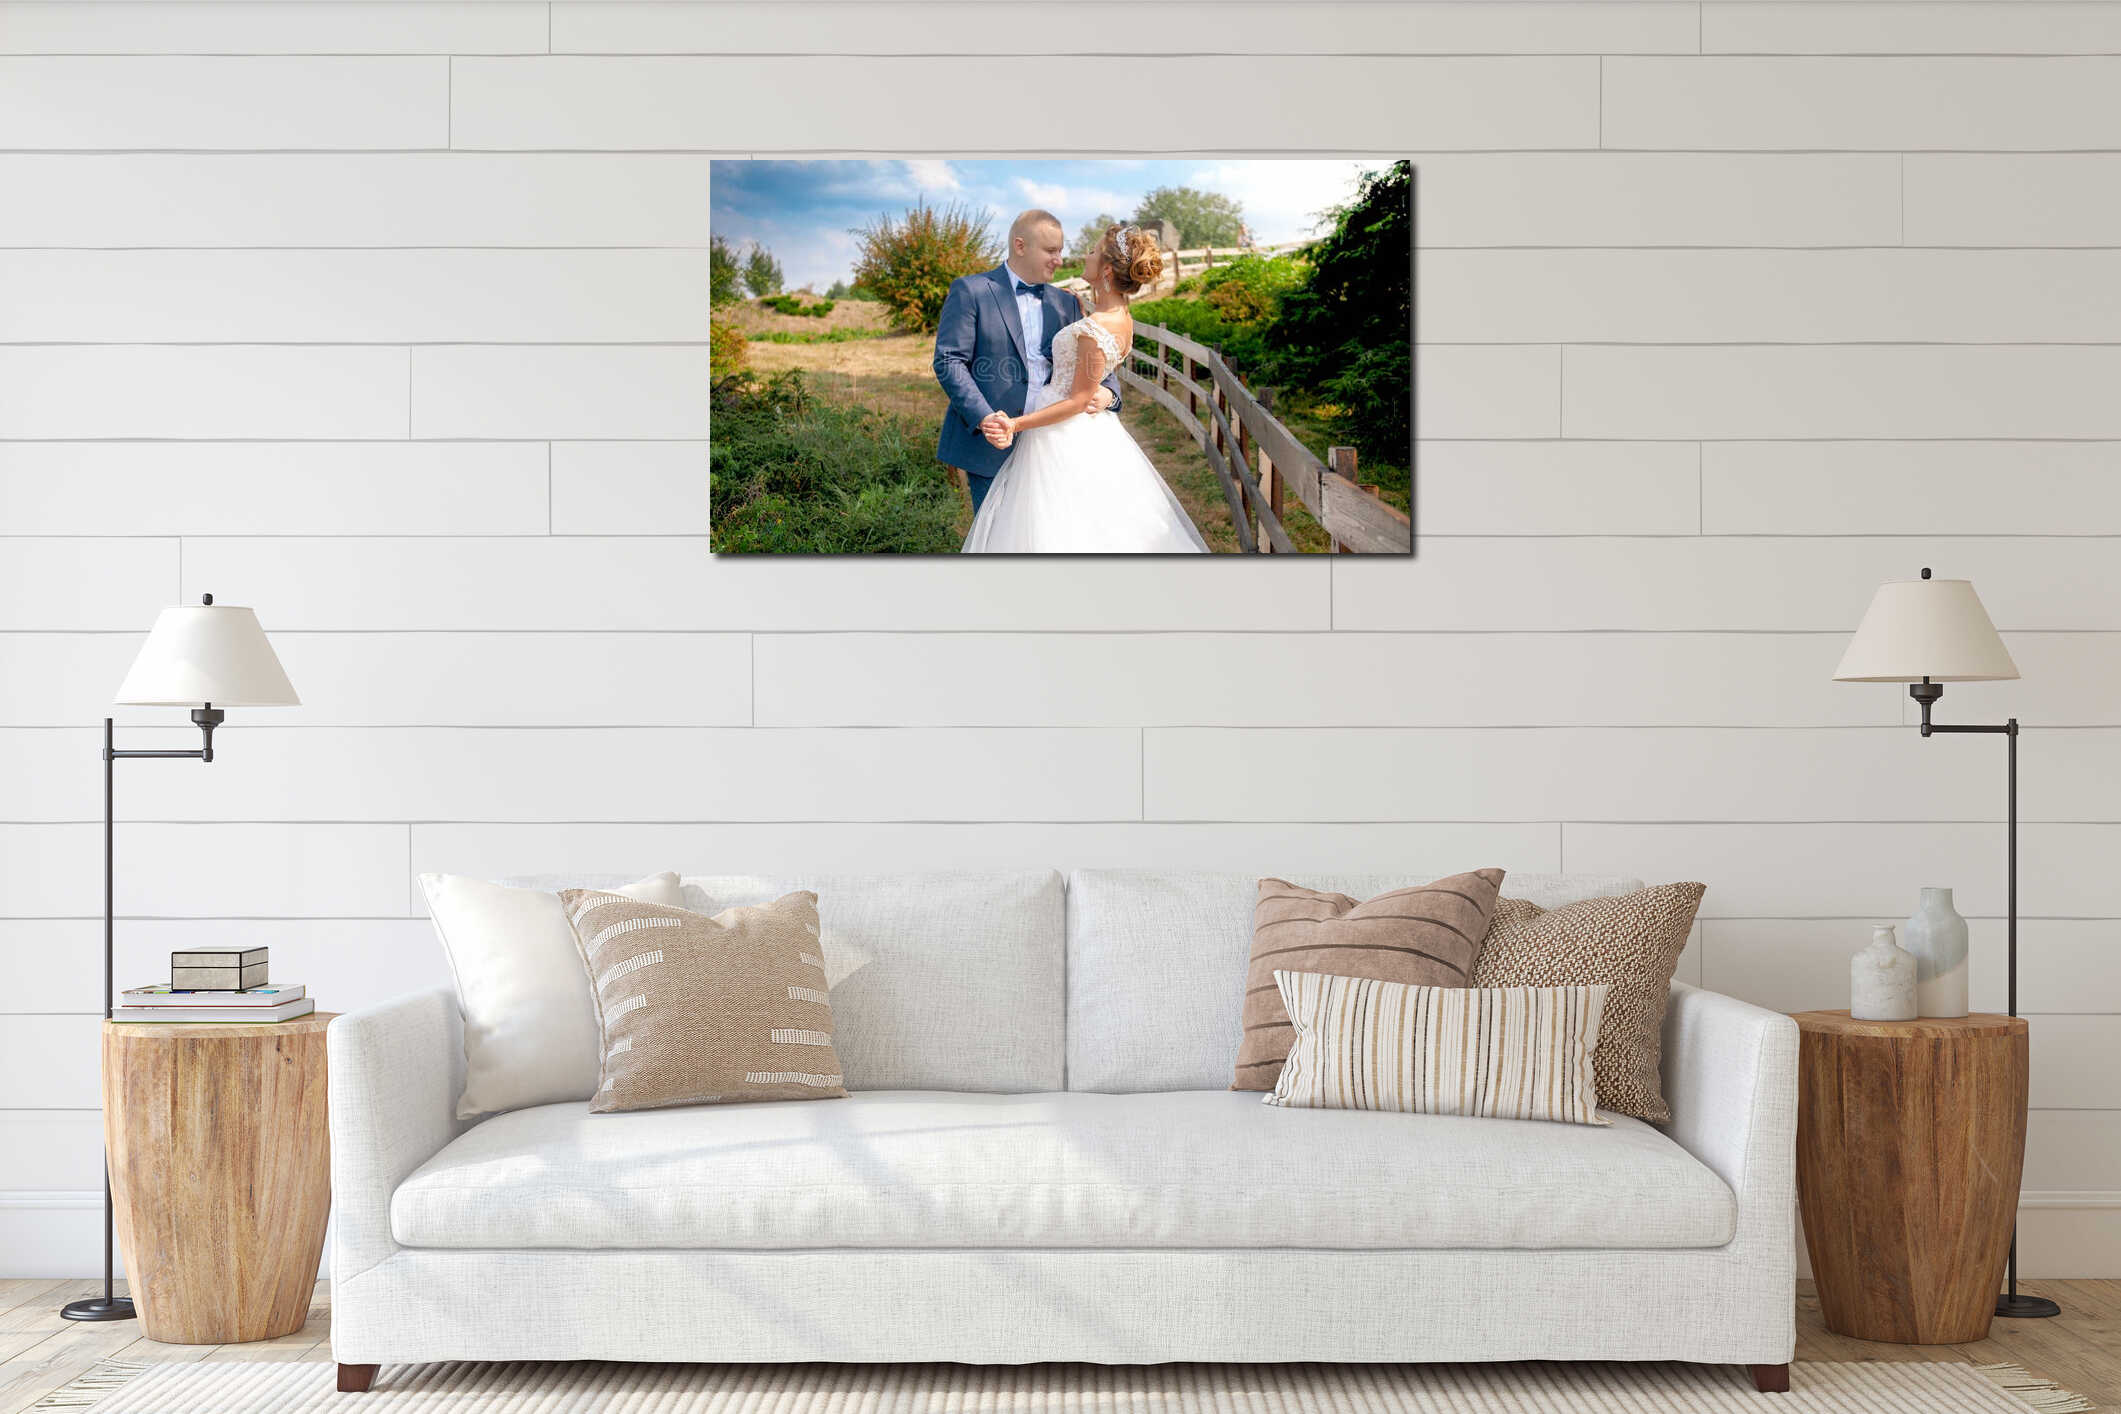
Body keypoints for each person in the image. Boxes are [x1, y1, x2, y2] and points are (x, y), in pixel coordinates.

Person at [960, 224, 1208, 554]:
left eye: (1091, 251)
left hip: (1061, 434)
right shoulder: (1114, 315)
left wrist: (1017, 424)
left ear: (1106, 269)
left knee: (1056, 524)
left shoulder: (1096, 327)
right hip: (1073, 430)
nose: (1083, 255)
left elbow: (1078, 399)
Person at [932, 209, 1120, 517]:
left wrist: (1110, 394)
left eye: (1060, 251)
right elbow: (949, 361)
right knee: (996, 538)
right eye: (1051, 251)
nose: (1059, 260)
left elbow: (1097, 359)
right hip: (992, 443)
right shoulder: (971, 291)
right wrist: (985, 418)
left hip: (1053, 441)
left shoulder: (1067, 302)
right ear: (1020, 246)